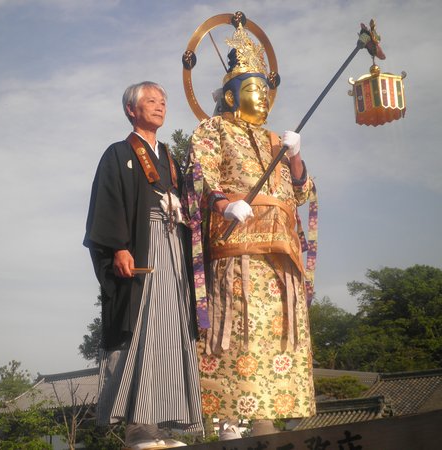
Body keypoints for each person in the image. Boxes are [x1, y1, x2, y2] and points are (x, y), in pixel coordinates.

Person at [185, 21, 316, 440]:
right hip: (237, 245)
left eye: (265, 90)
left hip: (280, 252)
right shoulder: (213, 130)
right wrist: (223, 203)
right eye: (253, 89)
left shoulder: (276, 140)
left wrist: (295, 157)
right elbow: (199, 174)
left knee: (275, 335)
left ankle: (268, 418)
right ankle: (228, 420)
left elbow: (302, 194)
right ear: (230, 96)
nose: (262, 97)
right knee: (236, 330)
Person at [84, 81, 203, 449]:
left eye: (163, 101)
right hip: (142, 246)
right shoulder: (118, 154)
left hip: (173, 246)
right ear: (131, 110)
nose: (160, 106)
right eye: (151, 100)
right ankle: (138, 430)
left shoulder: (169, 157)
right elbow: (108, 203)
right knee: (143, 331)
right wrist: (118, 247)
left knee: (173, 332)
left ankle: (164, 428)